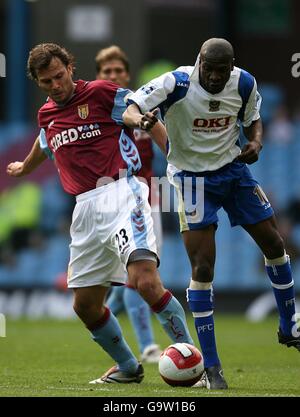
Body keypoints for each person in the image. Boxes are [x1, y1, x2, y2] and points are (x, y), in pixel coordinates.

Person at [6, 43, 194, 385]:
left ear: (70, 68)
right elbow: (44, 141)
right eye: (47, 81)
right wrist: (24, 166)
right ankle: (128, 366)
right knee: (85, 306)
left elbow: (133, 112)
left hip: (121, 192)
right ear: (38, 82)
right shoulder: (47, 115)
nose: (56, 85)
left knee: (145, 281)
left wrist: (144, 123)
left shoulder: (101, 92)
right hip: (84, 210)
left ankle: (193, 359)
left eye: (59, 76)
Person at [123, 38, 300, 390]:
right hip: (190, 181)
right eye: (210, 69)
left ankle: (289, 323)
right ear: (199, 60)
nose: (216, 76)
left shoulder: (244, 82)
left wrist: (256, 142)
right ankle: (213, 368)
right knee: (203, 268)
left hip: (233, 172)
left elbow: (253, 121)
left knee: (275, 241)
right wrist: (139, 119)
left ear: (231, 66)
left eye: (223, 70)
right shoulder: (177, 82)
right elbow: (130, 106)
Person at [94, 45, 163, 363]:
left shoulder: (146, 108)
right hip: (109, 198)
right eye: (106, 72)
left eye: (118, 71)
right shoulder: (95, 111)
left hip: (149, 199)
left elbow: (167, 147)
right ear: (98, 76)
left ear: (128, 74)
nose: (113, 76)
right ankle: (148, 345)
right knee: (135, 274)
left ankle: (100, 310)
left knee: (135, 274)